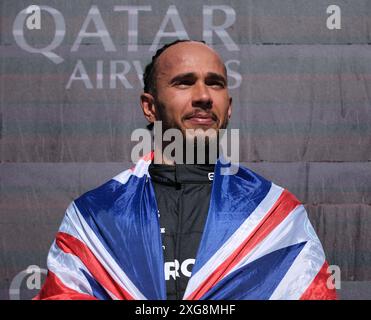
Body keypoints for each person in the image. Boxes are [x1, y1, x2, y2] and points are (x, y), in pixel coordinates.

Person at [35, 40, 337, 300]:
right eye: (184, 82)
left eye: (215, 83)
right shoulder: (95, 216)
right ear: (149, 107)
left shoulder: (275, 214)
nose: (204, 96)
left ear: (228, 107)